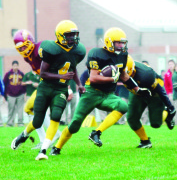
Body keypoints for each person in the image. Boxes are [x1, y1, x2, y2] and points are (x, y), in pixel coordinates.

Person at [50, 27, 151, 155]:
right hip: (91, 93)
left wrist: (138, 89)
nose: (121, 45)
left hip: (108, 94)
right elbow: (93, 78)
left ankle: (96, 133)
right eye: (118, 43)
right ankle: (57, 147)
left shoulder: (123, 56)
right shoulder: (97, 53)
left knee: (123, 106)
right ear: (109, 42)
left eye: (122, 43)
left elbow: (124, 75)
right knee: (75, 123)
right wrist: (112, 79)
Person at [11, 20, 86, 161]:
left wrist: (75, 85)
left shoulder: (70, 50)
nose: (72, 38)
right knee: (34, 116)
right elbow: (44, 72)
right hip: (46, 85)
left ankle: (44, 147)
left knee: (55, 115)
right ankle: (25, 135)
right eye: (69, 35)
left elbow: (70, 67)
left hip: (60, 87)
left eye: (73, 35)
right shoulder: (43, 51)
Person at [12, 29, 61, 149]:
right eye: (20, 49)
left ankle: (50, 136)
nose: (23, 50)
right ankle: (47, 137)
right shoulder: (27, 57)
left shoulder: (41, 48)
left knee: (31, 107)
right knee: (30, 109)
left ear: (30, 42)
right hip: (46, 84)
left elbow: (59, 61)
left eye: (24, 47)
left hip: (55, 83)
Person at [125, 56, 176, 148]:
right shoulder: (117, 70)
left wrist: (170, 107)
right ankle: (145, 141)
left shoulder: (146, 75)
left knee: (156, 123)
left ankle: (167, 116)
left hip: (154, 93)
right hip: (136, 92)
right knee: (132, 118)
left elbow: (160, 90)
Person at [3, 60, 26, 127]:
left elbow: (24, 84)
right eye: (14, 65)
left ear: (18, 66)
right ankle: (10, 123)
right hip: (10, 95)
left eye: (16, 65)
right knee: (11, 109)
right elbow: (4, 84)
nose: (15, 67)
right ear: (12, 66)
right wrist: (5, 95)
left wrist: (24, 93)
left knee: (20, 109)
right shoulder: (8, 74)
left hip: (20, 94)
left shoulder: (21, 74)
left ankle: (20, 123)